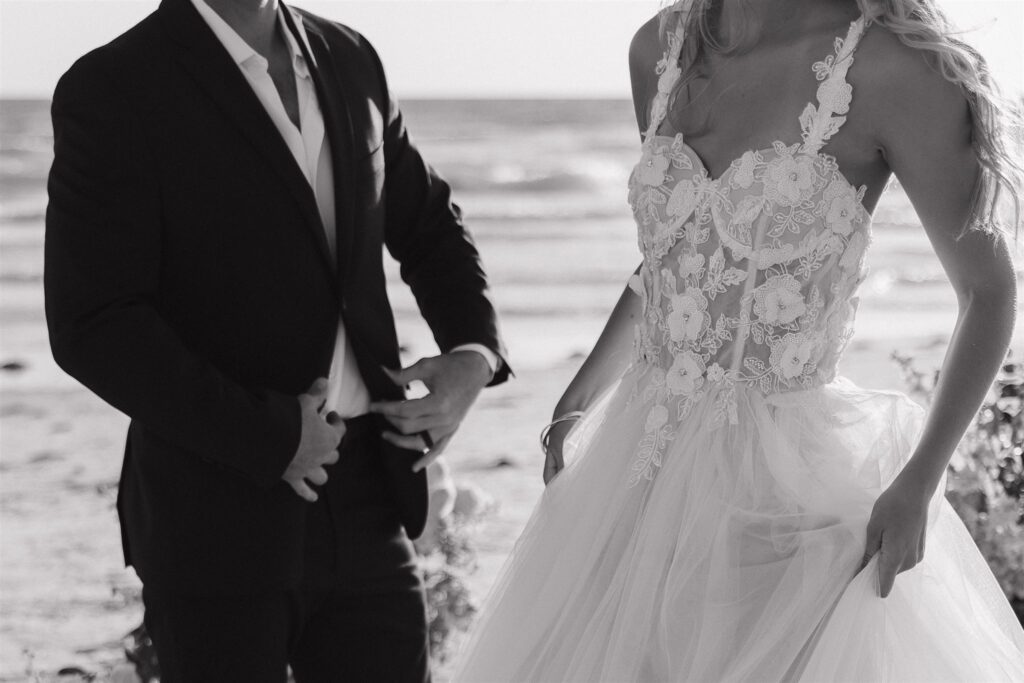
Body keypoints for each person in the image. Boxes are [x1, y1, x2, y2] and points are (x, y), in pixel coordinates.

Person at [453, 0, 1024, 680]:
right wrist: (583, 388)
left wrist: (921, 481)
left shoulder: (893, 67)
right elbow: (679, 257)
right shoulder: (657, 50)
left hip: (780, 481)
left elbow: (987, 293)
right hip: (637, 463)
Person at [44, 0, 509, 680]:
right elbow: (93, 322)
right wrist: (270, 436)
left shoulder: (350, 58)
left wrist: (473, 352)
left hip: (369, 496)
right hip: (213, 511)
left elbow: (428, 225)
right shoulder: (115, 86)